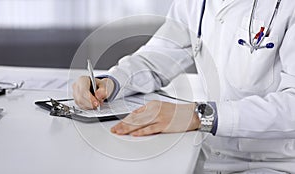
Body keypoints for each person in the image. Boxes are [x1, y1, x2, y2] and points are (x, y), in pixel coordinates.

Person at [72, 0, 295, 173]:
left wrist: (200, 115)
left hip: (273, 164)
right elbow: (159, 56)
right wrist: (111, 82)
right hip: (208, 156)